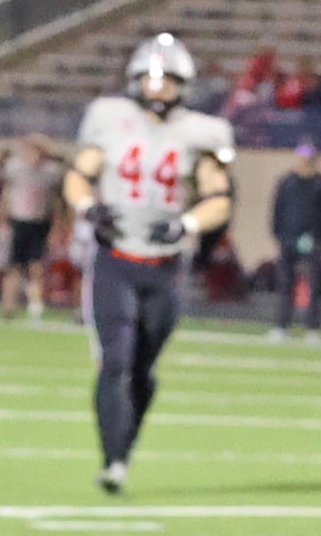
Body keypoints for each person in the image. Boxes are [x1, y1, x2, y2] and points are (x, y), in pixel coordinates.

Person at [64, 33, 235, 494]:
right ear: (135, 80)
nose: (158, 89)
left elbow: (219, 198)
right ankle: (111, 460)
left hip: (164, 264)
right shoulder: (109, 118)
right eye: (151, 79)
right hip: (115, 257)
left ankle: (125, 447)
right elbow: (79, 175)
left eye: (168, 81)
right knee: (114, 360)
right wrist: (87, 209)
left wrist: (187, 224)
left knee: (142, 367)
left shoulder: (204, 132)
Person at [269, 145, 321, 340]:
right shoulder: (287, 182)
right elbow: (278, 210)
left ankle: (312, 328)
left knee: (315, 285)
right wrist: (279, 235)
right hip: (288, 238)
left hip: (314, 240)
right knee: (285, 283)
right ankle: (282, 325)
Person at [0, 135, 61, 322]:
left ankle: (35, 304)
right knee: (13, 266)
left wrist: (57, 225)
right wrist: (1, 220)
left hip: (39, 222)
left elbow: (55, 201)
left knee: (36, 266)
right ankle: (8, 305)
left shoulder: (50, 172)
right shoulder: (16, 169)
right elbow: (6, 195)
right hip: (18, 221)